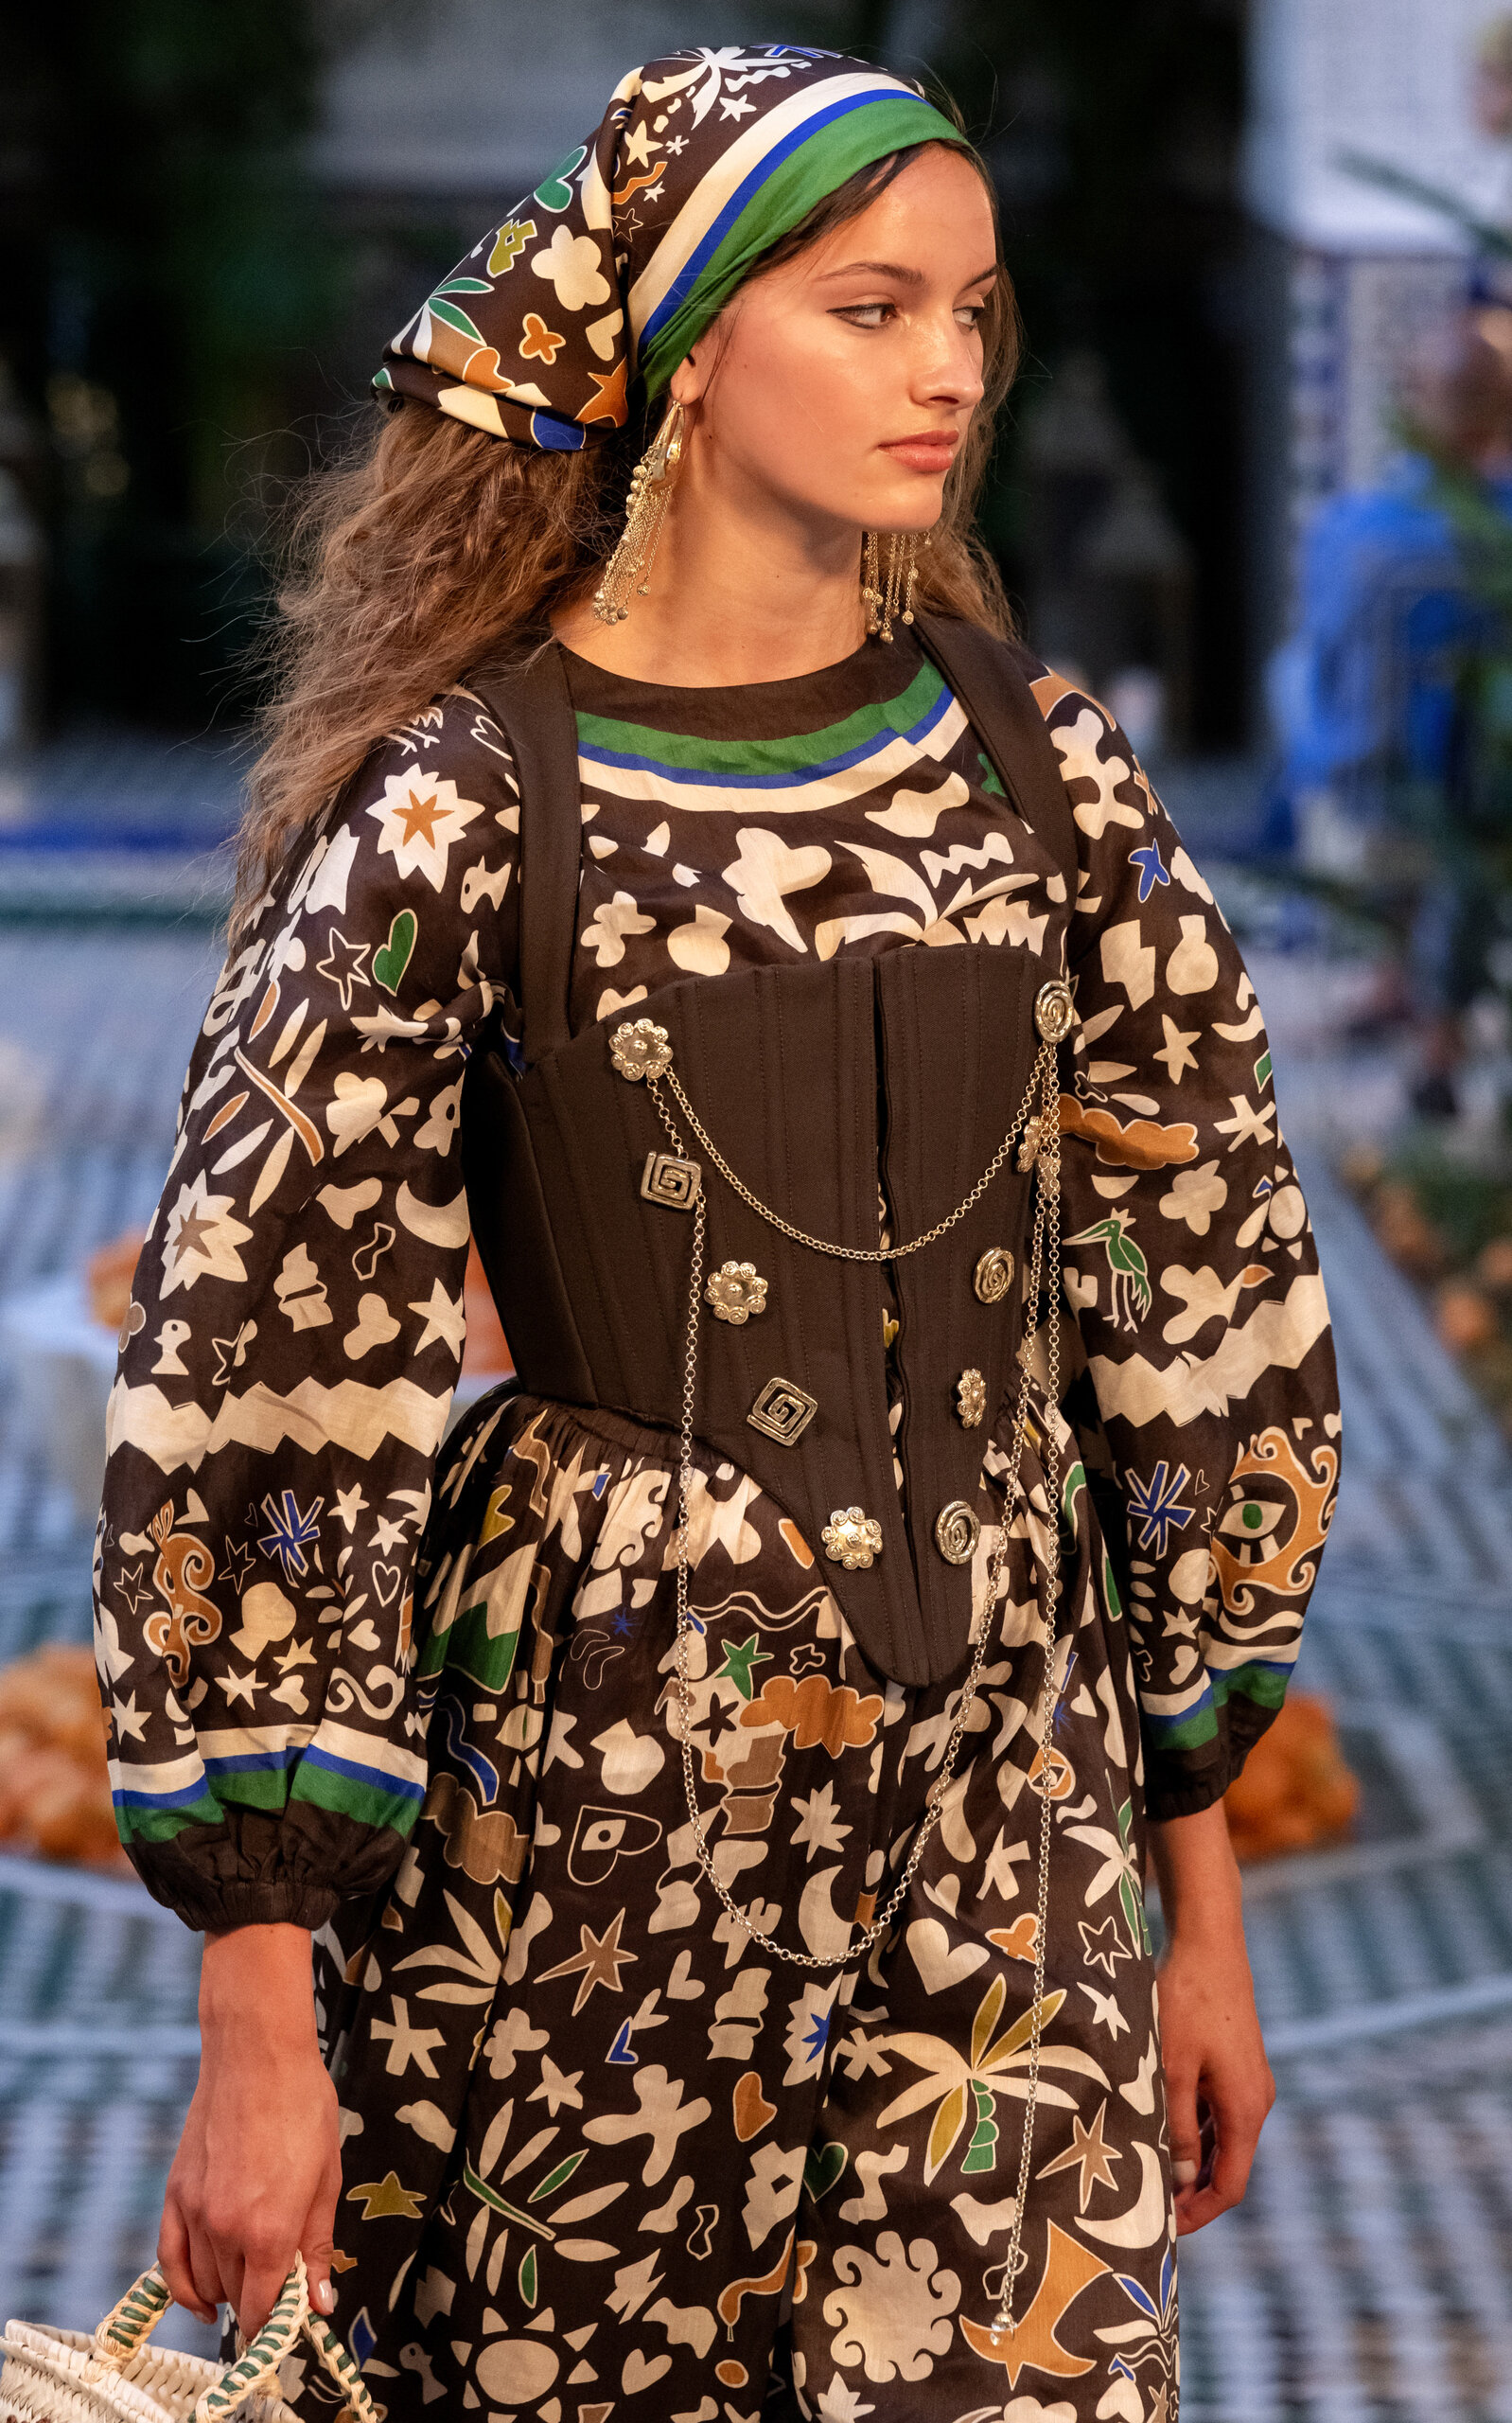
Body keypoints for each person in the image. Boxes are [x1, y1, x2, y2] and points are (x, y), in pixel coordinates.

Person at [96, 44, 1339, 2419]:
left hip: (1008, 1825)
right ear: (683, 348)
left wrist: (1202, 1910)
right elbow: (265, 1393)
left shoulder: (1041, 773)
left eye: (970, 309)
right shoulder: (463, 808)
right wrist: (258, 2027)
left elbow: (1199, 1325)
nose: (946, 367)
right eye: (871, 308)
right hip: (578, 1832)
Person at [1271, 310, 1512, 1114]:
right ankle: (1433, 1025)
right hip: (1467, 801)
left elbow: (1324, 661)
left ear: (1413, 408)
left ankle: (1401, 990)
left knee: (1294, 680)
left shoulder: (1353, 530)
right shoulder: (1496, 536)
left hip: (1363, 784)